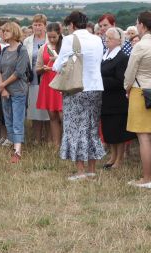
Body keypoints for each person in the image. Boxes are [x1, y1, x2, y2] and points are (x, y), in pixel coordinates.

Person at [53, 11, 105, 180]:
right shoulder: (97, 39)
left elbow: (57, 66)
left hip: (76, 87)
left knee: (75, 128)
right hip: (96, 87)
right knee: (91, 127)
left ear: (72, 25)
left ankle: (81, 171)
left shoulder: (69, 40)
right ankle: (91, 169)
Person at [124, 11, 151, 188]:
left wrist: (126, 88)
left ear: (141, 25)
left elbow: (130, 71)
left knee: (143, 138)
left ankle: (146, 178)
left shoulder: (141, 46)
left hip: (140, 90)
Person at [100, 27, 135, 169]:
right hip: (106, 99)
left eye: (110, 38)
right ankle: (113, 156)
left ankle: (119, 159)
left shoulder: (122, 57)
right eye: (106, 37)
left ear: (119, 40)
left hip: (117, 100)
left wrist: (101, 81)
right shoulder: (105, 55)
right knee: (109, 130)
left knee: (118, 131)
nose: (106, 39)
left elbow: (121, 81)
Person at [0, 22, 30, 163]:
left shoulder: (22, 50)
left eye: (7, 31)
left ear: (14, 32)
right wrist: (3, 88)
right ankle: (12, 142)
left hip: (18, 91)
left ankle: (18, 151)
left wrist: (3, 84)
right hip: (5, 91)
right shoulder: (4, 50)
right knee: (8, 119)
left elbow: (19, 72)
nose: (4, 33)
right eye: (3, 31)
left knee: (17, 120)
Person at [36, 22, 64, 147]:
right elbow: (37, 68)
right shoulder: (43, 48)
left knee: (63, 116)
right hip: (48, 83)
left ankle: (66, 144)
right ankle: (56, 144)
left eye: (54, 37)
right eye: (50, 37)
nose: (52, 39)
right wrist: (43, 68)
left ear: (59, 34)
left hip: (62, 84)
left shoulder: (65, 47)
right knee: (52, 116)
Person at [23, 14, 50, 143]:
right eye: (35, 24)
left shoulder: (49, 40)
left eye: (40, 24)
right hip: (32, 79)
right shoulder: (27, 41)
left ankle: (49, 138)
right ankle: (37, 138)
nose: (37, 27)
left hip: (48, 78)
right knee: (35, 110)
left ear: (45, 26)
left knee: (48, 111)